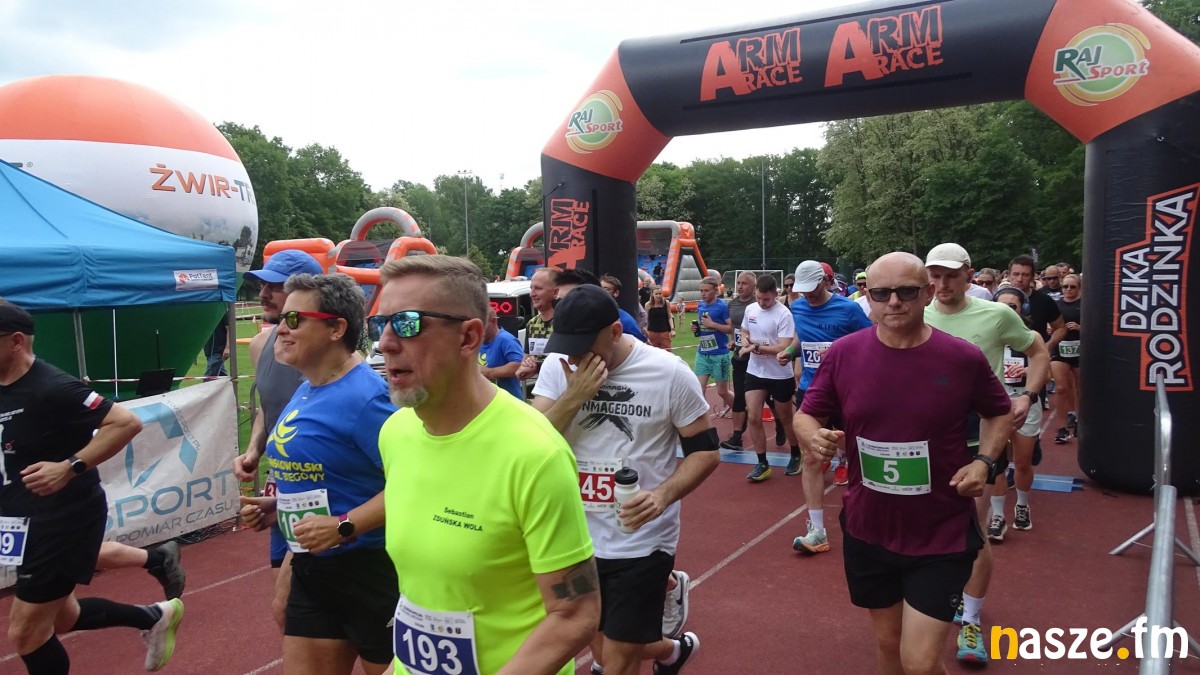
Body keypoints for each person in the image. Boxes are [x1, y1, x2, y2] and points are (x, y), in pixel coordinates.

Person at [374, 255, 600, 674]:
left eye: (406, 324)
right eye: (381, 324)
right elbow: (424, 598)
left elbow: (576, 613)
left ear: (469, 338)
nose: (384, 343)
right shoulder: (395, 433)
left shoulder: (535, 454)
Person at [795, 253, 1013, 675]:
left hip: (940, 533)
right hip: (868, 528)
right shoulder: (844, 354)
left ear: (927, 293)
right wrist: (811, 435)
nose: (893, 301)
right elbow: (807, 414)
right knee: (888, 645)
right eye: (881, 293)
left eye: (906, 291)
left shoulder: (961, 357)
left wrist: (984, 461)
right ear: (868, 297)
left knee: (920, 662)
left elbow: (999, 411)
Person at [532, 284, 718, 675]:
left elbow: (706, 451)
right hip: (573, 536)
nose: (574, 356)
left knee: (617, 661)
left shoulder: (668, 372)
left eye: (584, 346)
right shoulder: (558, 368)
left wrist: (662, 496)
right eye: (567, 346)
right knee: (599, 644)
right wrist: (574, 396)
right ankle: (672, 651)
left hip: (641, 539)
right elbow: (533, 443)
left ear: (615, 332)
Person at [0, 300, 184, 673]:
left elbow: (126, 422)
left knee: (26, 632)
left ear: (16, 341)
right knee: (62, 618)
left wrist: (69, 467)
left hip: (61, 519)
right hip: (19, 520)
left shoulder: (52, 387)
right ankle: (153, 617)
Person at [239, 273, 398, 675]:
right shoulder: (309, 385)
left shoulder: (368, 399)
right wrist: (280, 506)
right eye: (282, 320)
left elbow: (414, 484)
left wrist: (344, 525)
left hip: (372, 572)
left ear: (336, 328)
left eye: (294, 320)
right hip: (314, 568)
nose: (281, 330)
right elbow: (333, 473)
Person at [922, 243, 1048, 664]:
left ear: (969, 274)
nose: (942, 284)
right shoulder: (916, 314)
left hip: (976, 434)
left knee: (968, 527)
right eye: (935, 276)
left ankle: (971, 619)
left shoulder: (996, 314)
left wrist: (1028, 395)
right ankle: (931, 599)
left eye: (951, 275)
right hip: (922, 435)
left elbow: (1038, 349)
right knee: (924, 524)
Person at [231, 248, 324, 630]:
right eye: (262, 285)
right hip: (280, 486)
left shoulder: (328, 354)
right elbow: (269, 409)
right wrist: (254, 449)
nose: (263, 293)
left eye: (275, 286)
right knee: (288, 613)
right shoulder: (260, 346)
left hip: (324, 493)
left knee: (293, 606)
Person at [777, 260, 872, 553]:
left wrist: (842, 357)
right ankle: (817, 531)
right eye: (803, 290)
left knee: (861, 453)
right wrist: (789, 350)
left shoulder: (849, 309)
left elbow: (871, 341)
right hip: (812, 389)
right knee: (811, 457)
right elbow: (802, 338)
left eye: (812, 288)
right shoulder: (798, 307)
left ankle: (870, 519)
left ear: (826, 281)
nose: (808, 295)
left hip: (846, 391)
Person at [991, 287, 1045, 536]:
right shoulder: (989, 335)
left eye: (1011, 306)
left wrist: (1028, 372)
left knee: (1022, 462)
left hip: (1025, 402)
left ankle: (1022, 505)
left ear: (1023, 309)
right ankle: (997, 516)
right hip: (995, 405)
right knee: (995, 463)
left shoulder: (1032, 336)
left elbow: (1047, 371)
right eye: (1000, 305)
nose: (1005, 310)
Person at [738, 275, 799, 482]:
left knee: (786, 417)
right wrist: (745, 339)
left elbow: (784, 346)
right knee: (754, 416)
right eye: (758, 298)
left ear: (775, 294)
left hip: (779, 373)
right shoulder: (750, 309)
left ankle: (796, 453)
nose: (762, 303)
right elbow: (744, 330)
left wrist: (756, 347)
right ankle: (762, 463)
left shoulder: (784, 314)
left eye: (766, 299)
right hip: (756, 371)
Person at [719, 272, 758, 451]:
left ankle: (780, 424)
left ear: (754, 286)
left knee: (771, 398)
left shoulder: (758, 304)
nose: (740, 286)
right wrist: (732, 342)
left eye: (744, 283)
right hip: (740, 357)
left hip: (759, 358)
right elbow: (734, 329)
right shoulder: (732, 304)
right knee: (740, 397)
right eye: (738, 283)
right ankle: (737, 437)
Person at [694, 277, 734, 418]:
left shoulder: (722, 307)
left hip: (720, 355)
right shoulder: (700, 306)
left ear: (716, 291)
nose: (703, 293)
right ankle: (701, 420)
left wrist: (713, 325)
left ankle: (741, 410)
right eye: (701, 291)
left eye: (706, 290)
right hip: (703, 353)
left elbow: (731, 328)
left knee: (722, 392)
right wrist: (697, 329)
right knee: (698, 389)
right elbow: (703, 328)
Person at [1051, 273, 1082, 444]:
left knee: (1079, 388)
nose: (1068, 289)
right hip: (1060, 349)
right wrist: (1051, 329)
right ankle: (1062, 428)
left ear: (1079, 288)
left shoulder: (1085, 304)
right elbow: (1051, 324)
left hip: (1080, 350)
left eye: (1073, 287)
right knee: (1061, 387)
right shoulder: (1056, 305)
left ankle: (1079, 419)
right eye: (1065, 286)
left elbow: (1097, 327)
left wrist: (1080, 327)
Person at [515, 266, 560, 381]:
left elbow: (567, 362)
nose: (532, 294)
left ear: (555, 292)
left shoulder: (565, 323)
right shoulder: (532, 324)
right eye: (531, 288)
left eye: (538, 288)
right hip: (542, 387)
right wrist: (526, 366)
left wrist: (537, 366)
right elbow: (525, 362)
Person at [480, 306, 526, 398]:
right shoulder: (477, 341)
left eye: (482, 324)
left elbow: (519, 364)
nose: (479, 329)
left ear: (493, 321)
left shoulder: (507, 340)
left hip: (508, 400)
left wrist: (489, 372)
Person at [202, 308, 230, 377]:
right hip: (209, 350)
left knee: (209, 378)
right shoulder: (204, 313)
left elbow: (230, 329)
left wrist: (228, 347)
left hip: (219, 350)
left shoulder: (222, 311)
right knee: (222, 376)